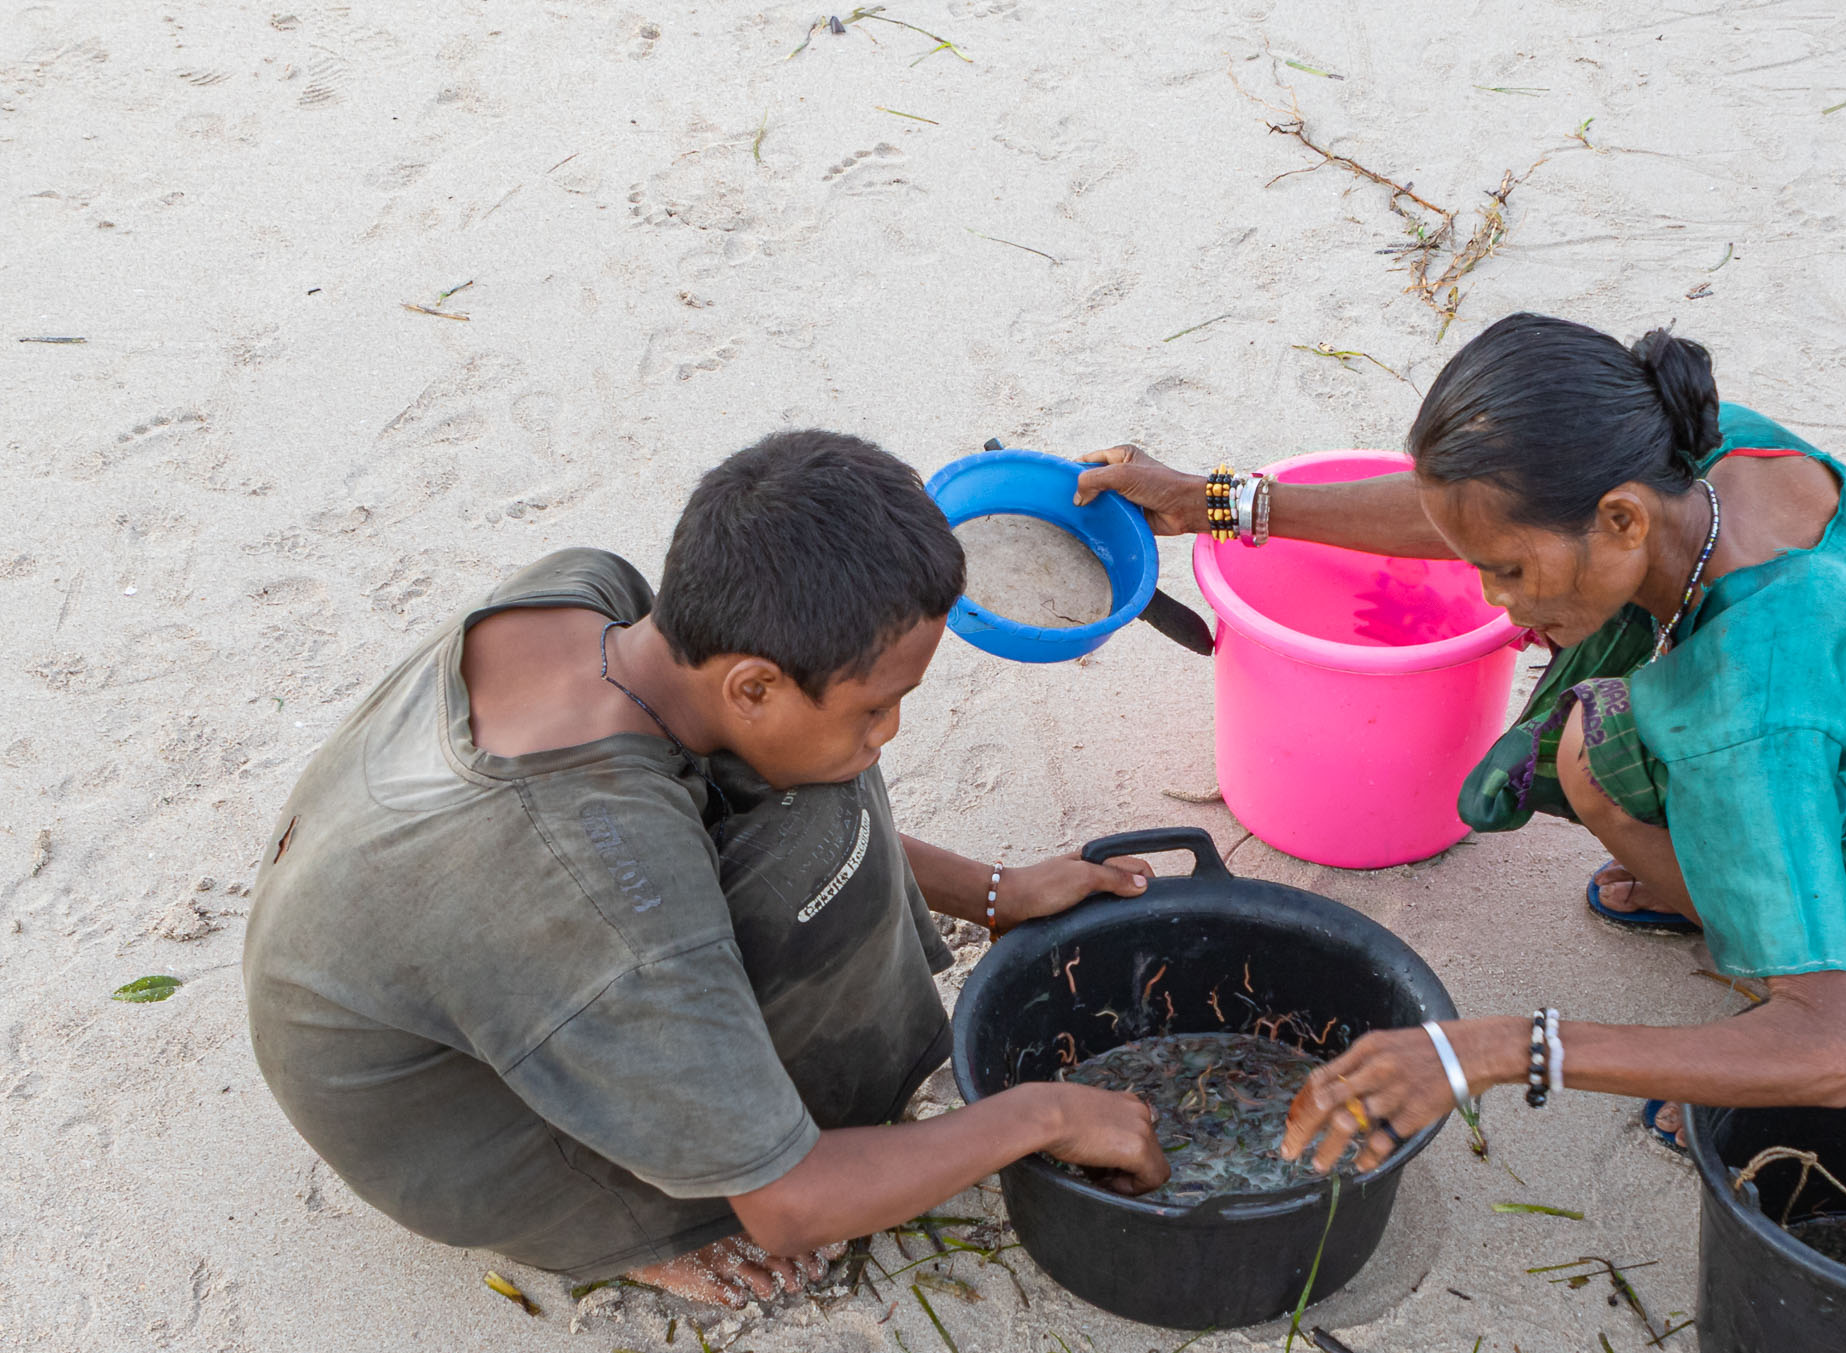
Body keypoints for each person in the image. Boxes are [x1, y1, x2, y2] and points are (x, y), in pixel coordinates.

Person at [1074, 313, 1846, 1174]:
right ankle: (1740, 890)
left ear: (1618, 520)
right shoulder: (1694, 452)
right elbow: (1472, 513)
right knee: (1588, 745)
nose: (1490, 596)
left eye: (1511, 574)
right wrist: (1222, 501)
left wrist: (1486, 1047)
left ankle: (1810, 968)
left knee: (1631, 792)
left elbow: (1827, 1049)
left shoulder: (1744, 702)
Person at [244, 430, 1170, 1305]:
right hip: (443, 1122)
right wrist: (1043, 1116)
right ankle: (646, 1218)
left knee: (817, 776)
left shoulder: (590, 599)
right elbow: (790, 1203)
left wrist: (991, 889)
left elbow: (711, 779)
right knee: (823, 838)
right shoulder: (610, 905)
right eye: (878, 706)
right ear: (754, 685)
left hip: (400, 960)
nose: (892, 732)